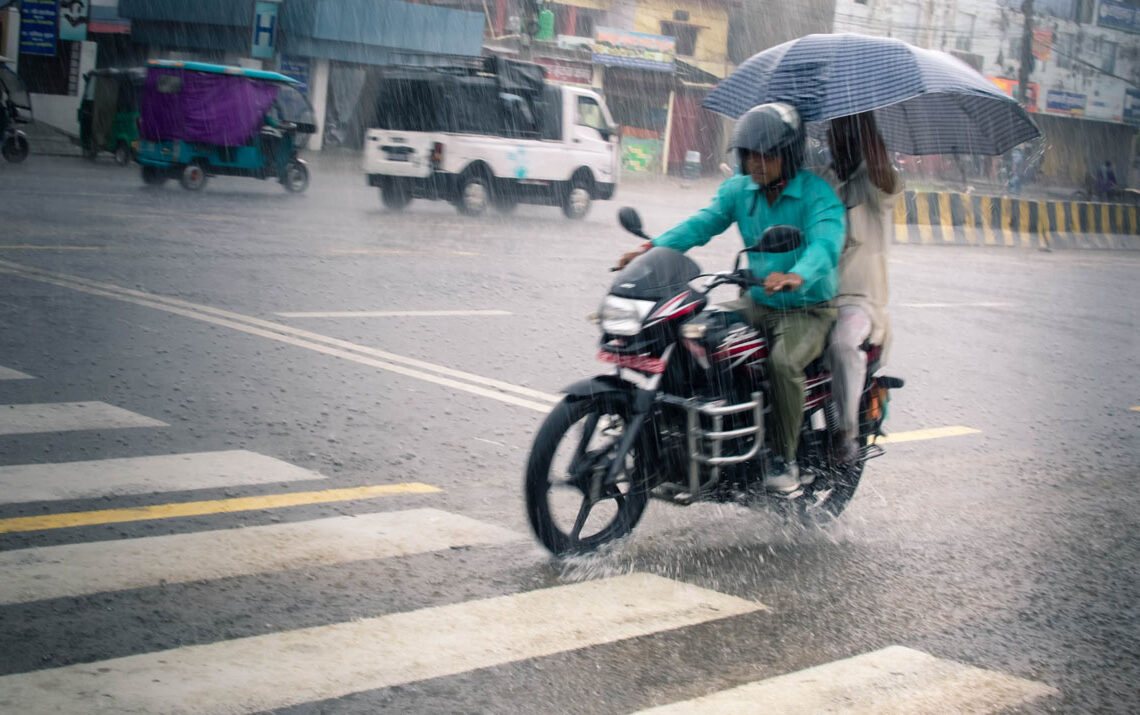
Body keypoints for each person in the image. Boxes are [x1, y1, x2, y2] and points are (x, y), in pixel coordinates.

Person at [616, 102, 846, 495]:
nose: (756, 163)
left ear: (789, 154)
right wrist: (651, 250)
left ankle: (784, 460)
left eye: (766, 154)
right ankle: (689, 440)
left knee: (783, 363)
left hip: (808, 309)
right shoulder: (740, 190)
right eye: (749, 154)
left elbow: (826, 244)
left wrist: (797, 275)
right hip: (757, 302)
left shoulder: (816, 194)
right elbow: (702, 224)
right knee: (692, 335)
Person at [821, 112, 901, 465]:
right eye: (833, 130)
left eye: (844, 131)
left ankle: (847, 434)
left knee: (842, 344)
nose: (836, 138)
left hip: (858, 302)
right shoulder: (822, 181)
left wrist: (864, 117)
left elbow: (881, 167)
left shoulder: (875, 182)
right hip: (814, 296)